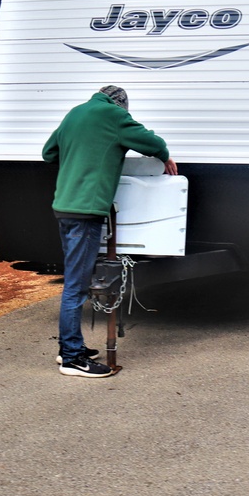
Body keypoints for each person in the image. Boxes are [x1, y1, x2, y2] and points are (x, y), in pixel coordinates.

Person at [42, 85, 178, 377]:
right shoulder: (114, 115)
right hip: (85, 212)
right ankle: (72, 359)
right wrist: (165, 155)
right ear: (121, 104)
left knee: (75, 280)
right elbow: (152, 142)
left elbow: (48, 152)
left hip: (64, 207)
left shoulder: (75, 113)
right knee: (76, 287)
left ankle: (70, 345)